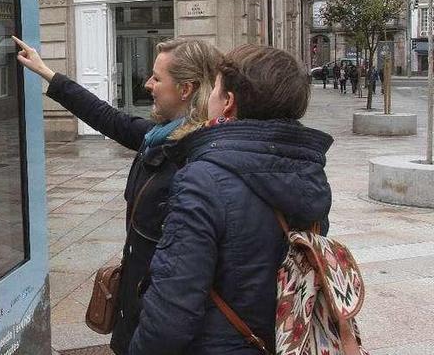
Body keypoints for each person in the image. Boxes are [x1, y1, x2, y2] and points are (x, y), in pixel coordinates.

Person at [12, 36, 221, 355]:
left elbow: (184, 274)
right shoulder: (159, 138)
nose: (148, 83)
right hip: (138, 305)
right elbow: (107, 118)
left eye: (157, 78)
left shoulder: (196, 159)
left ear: (185, 89)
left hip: (157, 319)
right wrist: (48, 74)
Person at [130, 44, 333, 354]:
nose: (209, 95)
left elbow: (172, 307)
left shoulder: (202, 179)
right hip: (283, 340)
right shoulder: (310, 173)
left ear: (228, 102)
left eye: (216, 89)